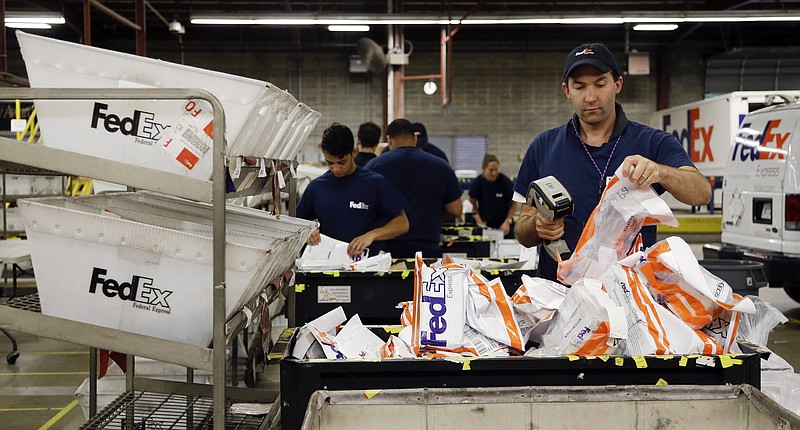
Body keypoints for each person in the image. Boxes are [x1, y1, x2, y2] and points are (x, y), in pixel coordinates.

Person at [513, 42, 711, 282]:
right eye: (580, 87)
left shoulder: (651, 142)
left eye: (600, 84)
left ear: (617, 84)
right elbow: (522, 229)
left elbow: (701, 193)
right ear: (567, 91)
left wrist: (660, 172)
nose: (590, 96)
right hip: (560, 295)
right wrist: (537, 226)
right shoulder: (543, 146)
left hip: (630, 296)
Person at [296, 122, 409, 258]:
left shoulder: (374, 183)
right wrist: (308, 231)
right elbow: (297, 223)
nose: (336, 169)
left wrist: (371, 235)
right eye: (330, 163)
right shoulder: (317, 187)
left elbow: (403, 223)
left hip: (367, 269)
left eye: (342, 162)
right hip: (328, 267)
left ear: (354, 152)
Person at [365, 118, 463, 257]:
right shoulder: (441, 166)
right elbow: (456, 210)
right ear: (415, 138)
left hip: (386, 251)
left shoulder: (374, 166)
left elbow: (364, 210)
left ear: (389, 140)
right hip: (427, 249)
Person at [469, 154, 517, 236]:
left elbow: (514, 203)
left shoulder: (505, 182)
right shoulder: (477, 183)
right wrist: (478, 218)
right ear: (483, 169)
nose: (494, 173)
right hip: (485, 222)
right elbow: (472, 203)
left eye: (496, 169)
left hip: (503, 222)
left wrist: (508, 221)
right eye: (491, 170)